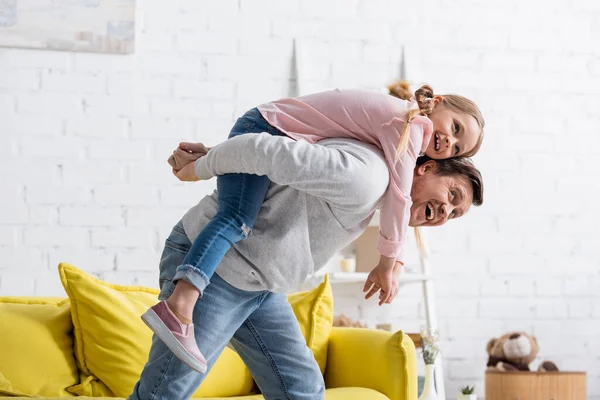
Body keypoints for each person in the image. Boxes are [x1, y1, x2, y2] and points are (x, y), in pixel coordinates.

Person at [142, 86, 485, 372]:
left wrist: (220, 153)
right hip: (227, 273)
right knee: (236, 219)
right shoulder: (387, 155)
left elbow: (291, 153)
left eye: (455, 214)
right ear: (425, 170)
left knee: (301, 387)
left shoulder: (388, 144)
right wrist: (201, 168)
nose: (445, 212)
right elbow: (266, 146)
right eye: (452, 195)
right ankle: (180, 302)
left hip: (261, 285)